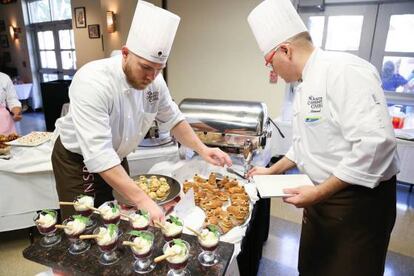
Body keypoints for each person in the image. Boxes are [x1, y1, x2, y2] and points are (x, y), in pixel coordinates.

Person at [246, 1, 399, 275]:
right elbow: (305, 144)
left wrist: (319, 192)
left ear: (285, 50)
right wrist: (271, 170)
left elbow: (376, 144)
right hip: (322, 200)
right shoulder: (304, 84)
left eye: (270, 62)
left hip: (356, 204)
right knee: (312, 267)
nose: (272, 72)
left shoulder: (343, 71)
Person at [52, 1, 232, 223]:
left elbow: (173, 119)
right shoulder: (92, 81)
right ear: (125, 53)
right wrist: (144, 200)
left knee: (118, 216)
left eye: (158, 70)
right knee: (82, 223)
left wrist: (203, 149)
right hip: (76, 161)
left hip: (116, 157)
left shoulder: (155, 82)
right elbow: (98, 154)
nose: (151, 77)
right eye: (146, 67)